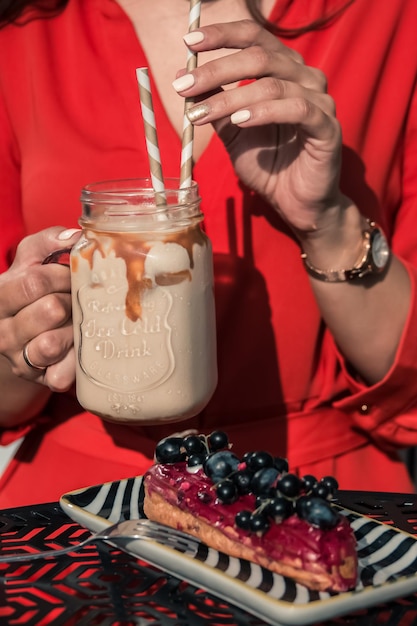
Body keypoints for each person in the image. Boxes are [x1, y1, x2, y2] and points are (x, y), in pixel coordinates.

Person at [0, 0, 417, 508]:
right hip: (82, 510)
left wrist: (326, 221)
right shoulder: (22, 34)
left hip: (310, 496)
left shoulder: (391, 18)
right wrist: (26, 341)